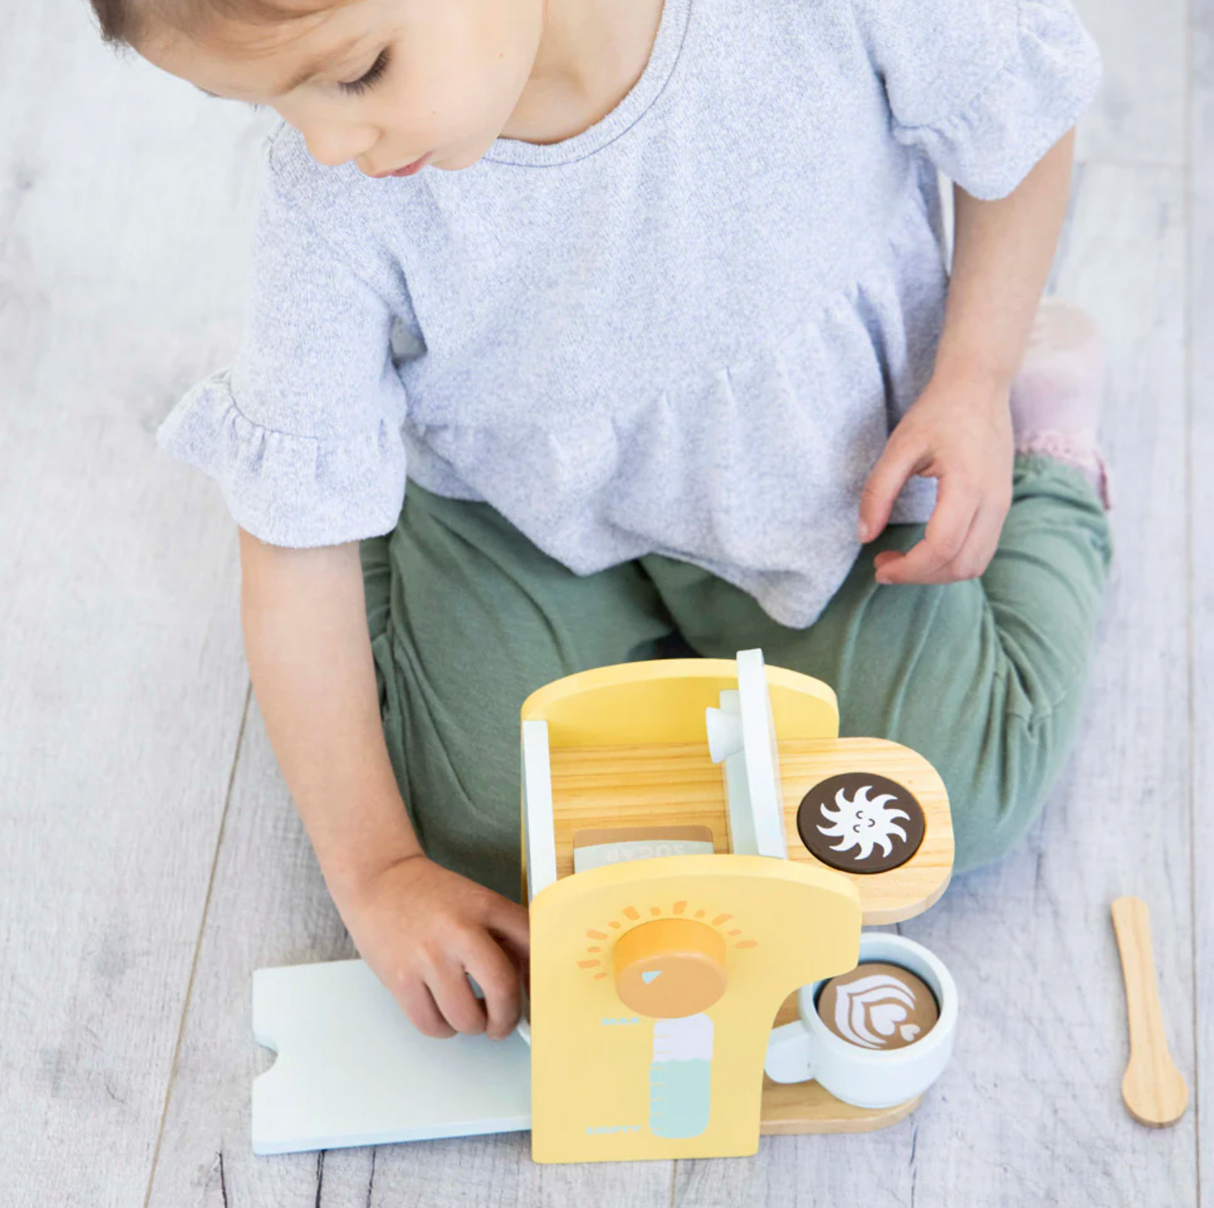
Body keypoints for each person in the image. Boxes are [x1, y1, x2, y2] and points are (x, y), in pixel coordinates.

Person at [91, 0, 1113, 1044]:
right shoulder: (333, 196)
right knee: (489, 842)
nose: (327, 141)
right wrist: (376, 870)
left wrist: (976, 377)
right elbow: (290, 547)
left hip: (825, 474)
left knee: (946, 801)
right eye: (266, 102)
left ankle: (1048, 449)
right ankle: (372, 492)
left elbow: (1018, 120)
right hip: (514, 509)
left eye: (356, 73)